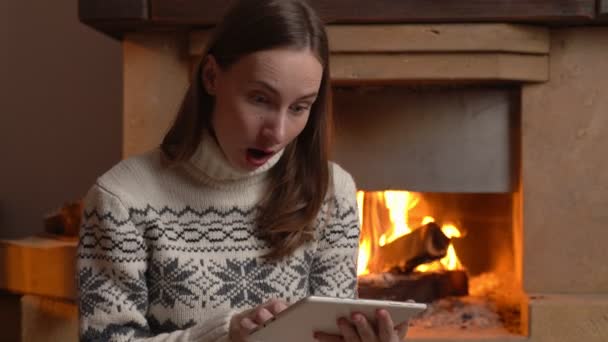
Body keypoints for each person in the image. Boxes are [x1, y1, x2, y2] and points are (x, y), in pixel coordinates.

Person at [76, 0, 409, 341]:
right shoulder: (121, 200)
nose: (277, 133)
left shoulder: (332, 192)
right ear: (211, 77)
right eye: (260, 99)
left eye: (299, 107)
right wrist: (222, 335)